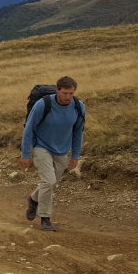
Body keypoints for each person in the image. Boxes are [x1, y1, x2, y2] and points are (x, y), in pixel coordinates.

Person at [20, 76, 85, 231]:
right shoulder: (43, 104)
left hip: (62, 149)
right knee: (49, 182)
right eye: (65, 93)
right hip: (40, 146)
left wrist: (75, 155)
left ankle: (34, 199)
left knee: (50, 183)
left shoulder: (78, 106)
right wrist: (26, 154)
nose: (68, 97)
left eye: (71, 93)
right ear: (58, 91)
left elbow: (78, 132)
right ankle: (45, 218)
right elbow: (28, 130)